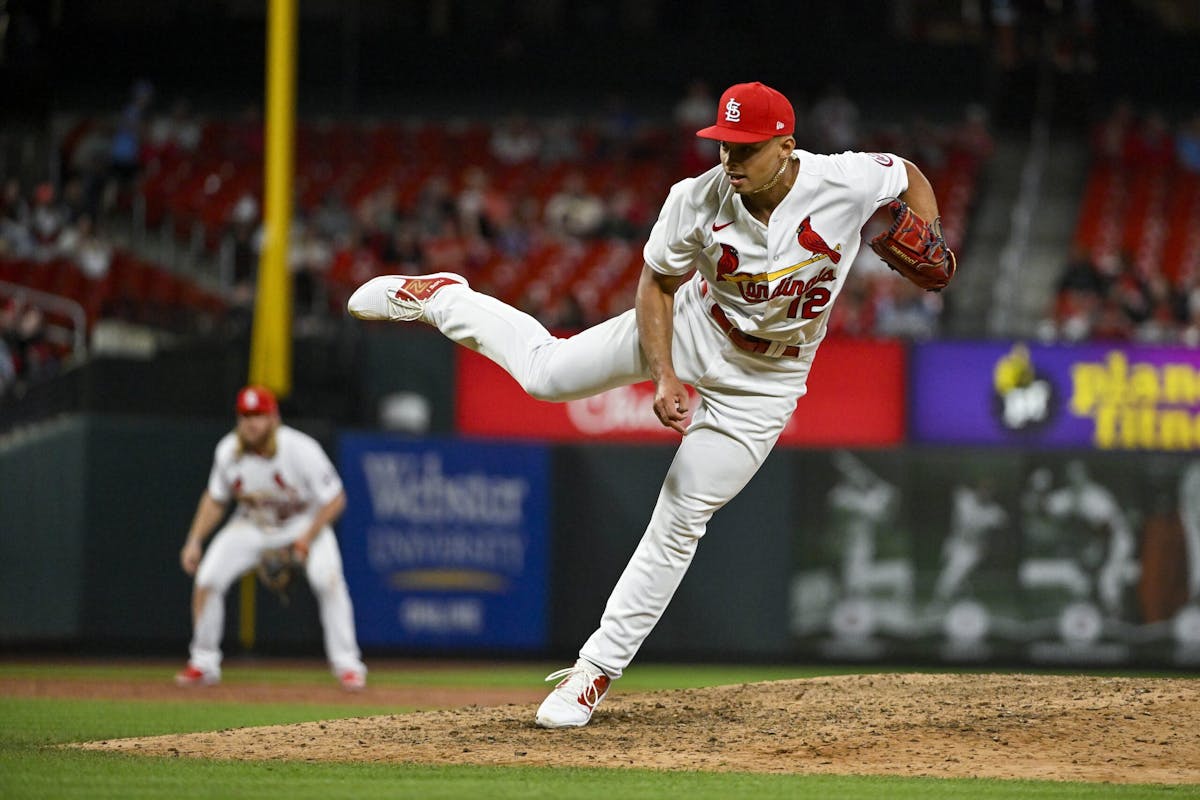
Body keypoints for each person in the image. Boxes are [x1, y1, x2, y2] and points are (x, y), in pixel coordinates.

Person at [346, 81, 951, 727]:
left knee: (682, 516)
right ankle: (444, 298)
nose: (732, 160)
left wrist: (933, 228)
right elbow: (657, 285)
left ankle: (592, 675)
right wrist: (664, 373)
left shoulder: (845, 181)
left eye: (747, 148)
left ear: (786, 146)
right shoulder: (693, 200)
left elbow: (907, 174)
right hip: (693, 325)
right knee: (546, 375)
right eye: (724, 144)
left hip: (771, 380)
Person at [176, 385, 367, 691]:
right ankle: (203, 662)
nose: (251, 422)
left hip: (303, 523)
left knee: (327, 580)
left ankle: (348, 666)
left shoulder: (300, 449)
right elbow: (215, 499)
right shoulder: (228, 451)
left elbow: (335, 499)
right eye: (245, 415)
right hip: (251, 525)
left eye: (259, 415)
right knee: (208, 579)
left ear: (274, 417)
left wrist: (306, 538)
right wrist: (194, 539)